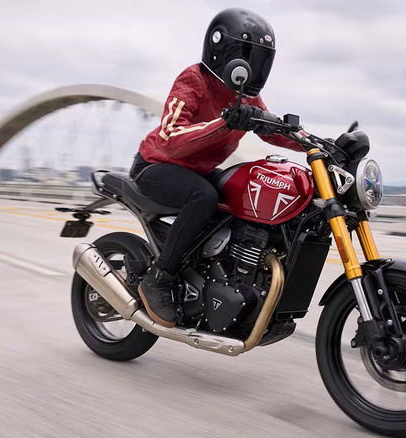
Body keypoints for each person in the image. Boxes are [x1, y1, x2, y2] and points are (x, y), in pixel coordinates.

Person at [129, 7, 304, 328]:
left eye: (261, 59)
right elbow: (170, 137)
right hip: (155, 165)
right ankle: (159, 278)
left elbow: (272, 129)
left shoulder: (246, 96)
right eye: (246, 55)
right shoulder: (194, 80)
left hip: (197, 170)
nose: (253, 66)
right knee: (204, 197)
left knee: (237, 198)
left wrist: (319, 144)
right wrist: (223, 123)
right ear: (221, 51)